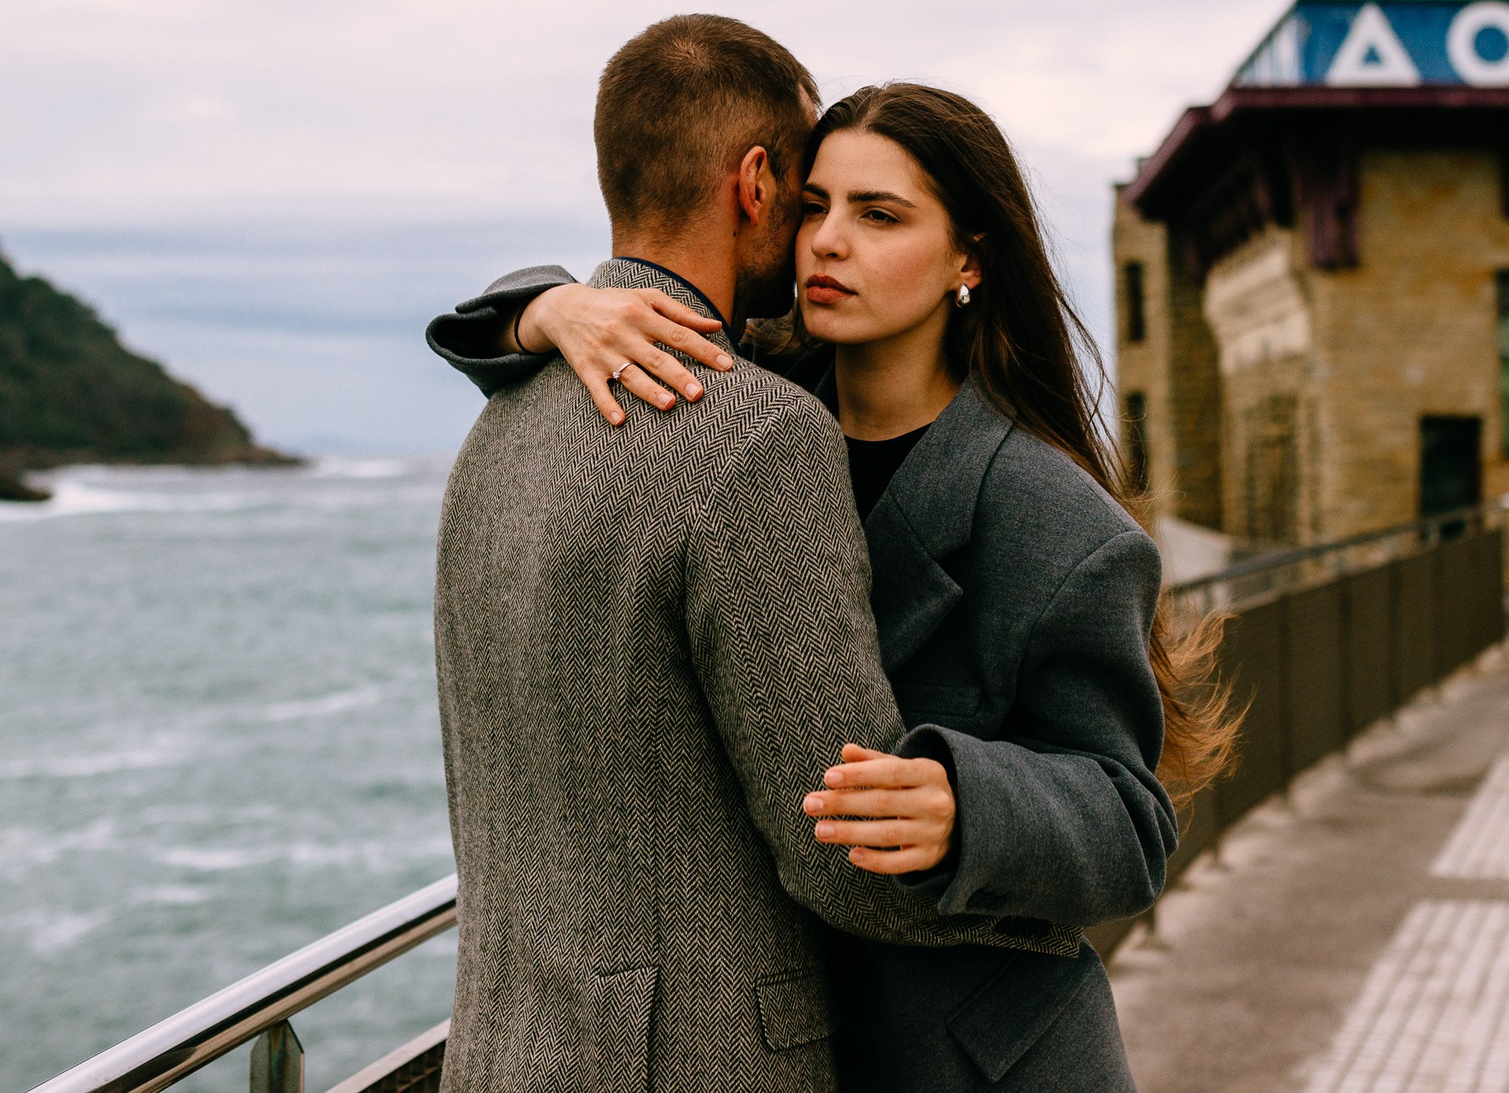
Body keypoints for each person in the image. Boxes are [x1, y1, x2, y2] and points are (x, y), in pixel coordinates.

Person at [431, 71, 1232, 1091]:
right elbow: (515, 348)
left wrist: (969, 805)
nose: (826, 241)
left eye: (879, 214)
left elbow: (1131, 826)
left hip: (965, 1058)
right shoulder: (742, 411)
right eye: (813, 207)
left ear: (967, 260)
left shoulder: (1051, 516)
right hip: (754, 1034)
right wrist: (549, 309)